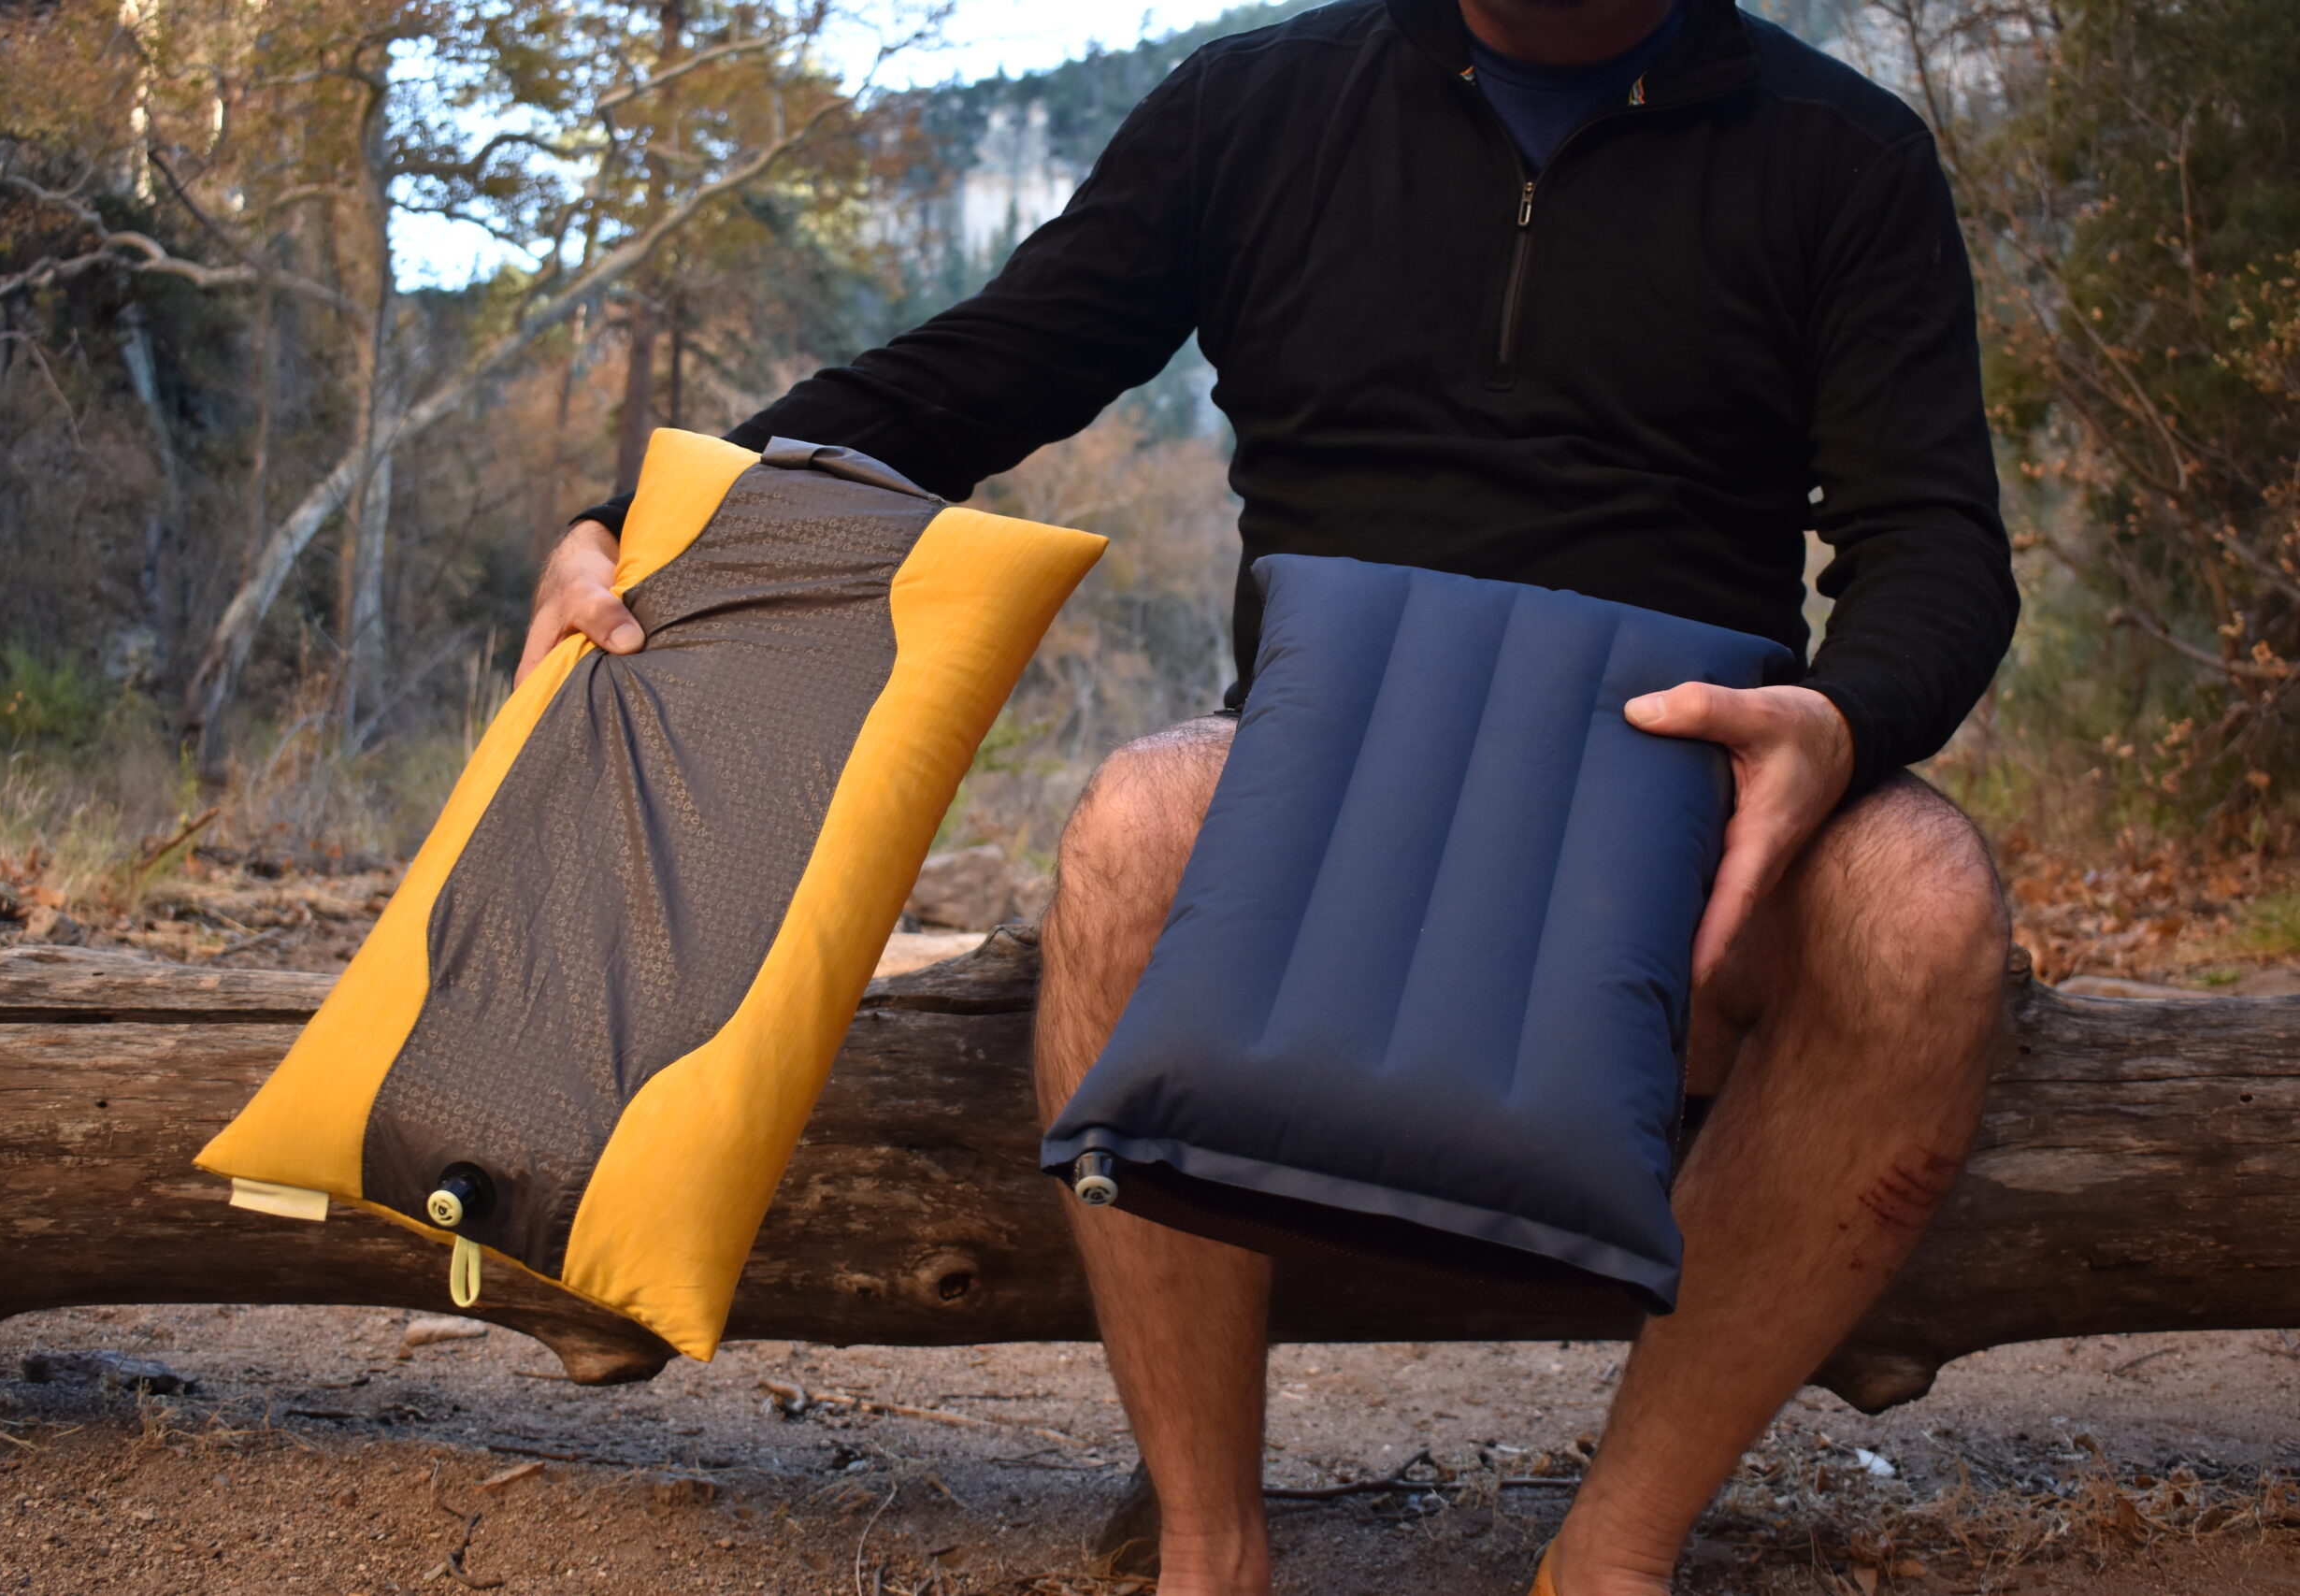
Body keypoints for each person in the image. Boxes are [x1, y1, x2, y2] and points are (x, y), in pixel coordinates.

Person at [519, 0, 2020, 1589]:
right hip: (1327, 791)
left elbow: (1933, 542)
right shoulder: (1257, 103)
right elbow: (979, 372)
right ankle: (1209, 1546)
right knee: (1139, 816)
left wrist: (1838, 725)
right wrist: (642, 520)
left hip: (1685, 825)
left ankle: (1618, 1549)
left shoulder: (1845, 155)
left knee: (1921, 900)